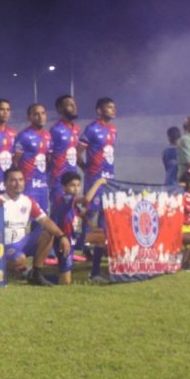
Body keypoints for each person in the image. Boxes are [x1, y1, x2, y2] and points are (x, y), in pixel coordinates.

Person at [0, 167, 66, 286]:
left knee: (47, 232)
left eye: (21, 180)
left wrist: (62, 236)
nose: (18, 183)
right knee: (19, 259)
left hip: (23, 242)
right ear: (5, 183)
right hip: (5, 245)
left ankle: (36, 274)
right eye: (13, 180)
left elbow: (45, 220)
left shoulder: (28, 201)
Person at [33, 172, 107, 285]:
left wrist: (93, 228)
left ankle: (95, 274)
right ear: (64, 187)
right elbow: (87, 199)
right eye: (72, 185)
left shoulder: (72, 202)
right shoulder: (65, 199)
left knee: (101, 236)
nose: (76, 188)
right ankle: (35, 276)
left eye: (78, 185)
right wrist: (98, 183)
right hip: (63, 241)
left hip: (74, 237)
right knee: (66, 282)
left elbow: (82, 215)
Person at [78, 97, 117, 284]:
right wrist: (87, 169)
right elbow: (78, 152)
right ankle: (83, 246)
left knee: (105, 219)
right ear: (99, 110)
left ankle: (97, 259)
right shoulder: (91, 129)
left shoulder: (113, 129)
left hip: (109, 181)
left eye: (113, 107)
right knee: (89, 213)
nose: (112, 110)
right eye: (108, 107)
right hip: (95, 180)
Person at [12, 103, 51, 213]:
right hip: (28, 185)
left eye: (43, 113)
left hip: (42, 185)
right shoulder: (24, 135)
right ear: (29, 117)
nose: (40, 116)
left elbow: (48, 159)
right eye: (36, 114)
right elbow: (15, 161)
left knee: (42, 219)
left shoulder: (47, 135)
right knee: (26, 217)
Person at [48, 95, 83, 205]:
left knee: (71, 212)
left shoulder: (76, 128)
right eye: (69, 105)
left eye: (74, 104)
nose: (74, 107)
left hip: (72, 179)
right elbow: (48, 156)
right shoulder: (55, 130)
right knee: (59, 211)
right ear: (60, 109)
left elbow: (75, 153)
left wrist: (85, 168)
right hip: (59, 180)